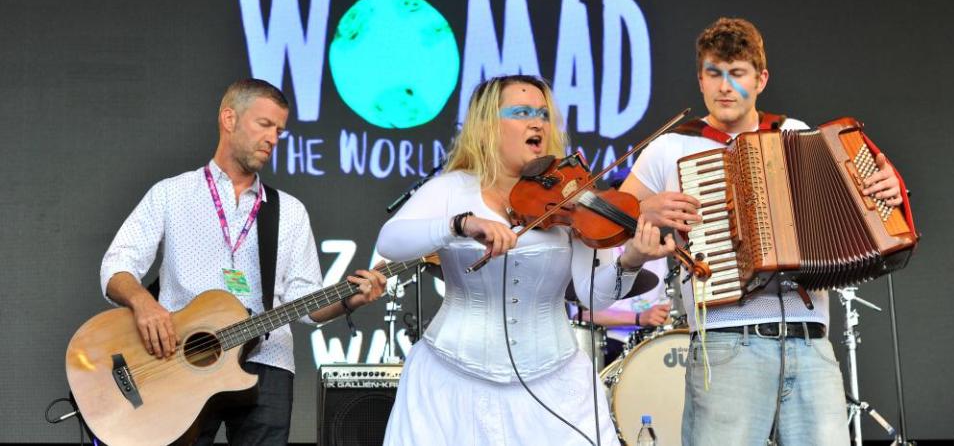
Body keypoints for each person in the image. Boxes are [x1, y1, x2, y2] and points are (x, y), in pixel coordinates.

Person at [619, 18, 905, 446]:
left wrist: (887, 189)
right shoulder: (670, 147)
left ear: (761, 78)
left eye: (738, 73)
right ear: (700, 80)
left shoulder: (795, 133)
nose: (725, 86)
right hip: (726, 342)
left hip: (810, 343)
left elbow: (865, 206)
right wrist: (644, 209)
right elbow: (614, 222)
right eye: (714, 73)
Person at [376, 74, 673, 446]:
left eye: (543, 114)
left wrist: (631, 259)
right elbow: (390, 241)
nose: (538, 123)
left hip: (554, 381)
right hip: (451, 378)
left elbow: (590, 296)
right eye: (521, 112)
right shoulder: (451, 189)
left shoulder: (571, 197)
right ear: (487, 126)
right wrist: (459, 225)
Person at [100, 78, 386, 445]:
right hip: (180, 361)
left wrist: (350, 299)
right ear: (229, 119)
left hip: (268, 363)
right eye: (265, 125)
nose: (273, 139)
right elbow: (116, 263)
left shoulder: (290, 211)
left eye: (280, 131)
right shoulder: (171, 193)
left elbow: (305, 301)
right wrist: (144, 304)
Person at [569, 256, 673, 365]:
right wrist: (639, 318)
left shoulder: (662, 257)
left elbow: (669, 307)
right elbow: (582, 316)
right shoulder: (601, 251)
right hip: (609, 341)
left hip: (650, 340)